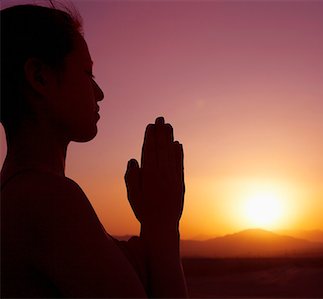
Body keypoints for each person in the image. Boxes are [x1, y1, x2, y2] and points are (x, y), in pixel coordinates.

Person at [1, 4, 188, 298]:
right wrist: (163, 223)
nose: (99, 93)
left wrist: (151, 226)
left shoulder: (18, 193)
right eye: (87, 73)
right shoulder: (47, 200)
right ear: (40, 77)